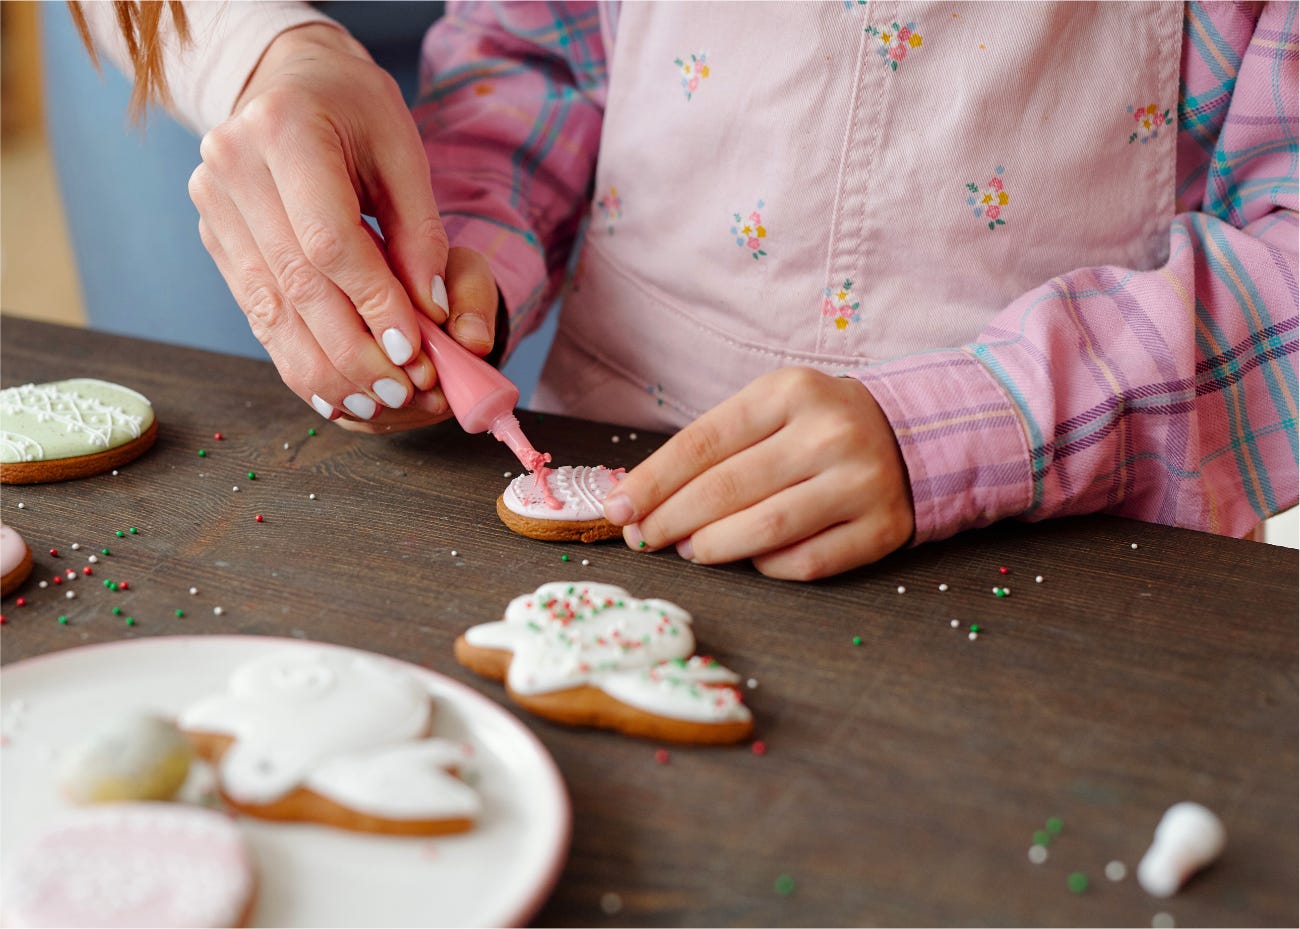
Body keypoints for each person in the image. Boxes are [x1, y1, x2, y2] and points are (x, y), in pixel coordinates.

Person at [77, 1, 1297, 580]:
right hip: (614, 487)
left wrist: (957, 430)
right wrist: (462, 268)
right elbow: (544, 54)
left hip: (1065, 564)